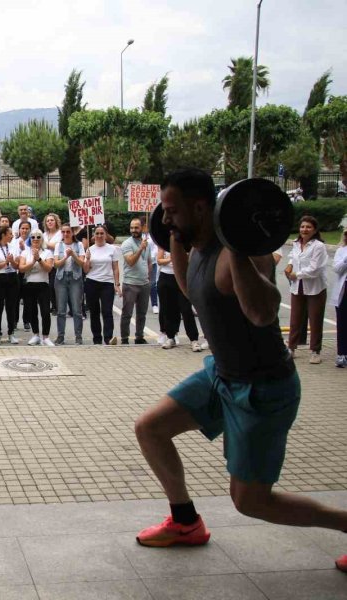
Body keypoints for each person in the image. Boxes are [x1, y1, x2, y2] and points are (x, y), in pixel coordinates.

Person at [133, 169, 347, 573]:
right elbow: (188, 288)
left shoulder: (242, 253)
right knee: (151, 428)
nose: (166, 221)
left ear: (201, 208)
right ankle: (185, 523)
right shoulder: (195, 246)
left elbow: (263, 311)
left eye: (172, 212)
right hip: (222, 375)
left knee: (251, 501)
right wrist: (174, 238)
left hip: (264, 389)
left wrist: (236, 241)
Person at [284, 216, 329, 364]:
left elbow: (315, 269)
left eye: (308, 227)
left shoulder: (318, 246)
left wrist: (296, 274)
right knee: (295, 319)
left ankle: (315, 351)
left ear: (315, 230)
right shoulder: (297, 243)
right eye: (302, 227)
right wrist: (290, 266)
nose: (305, 230)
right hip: (298, 287)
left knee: (315, 319)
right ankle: (291, 348)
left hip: (315, 288)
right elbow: (293, 257)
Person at [156, 246, 202, 351]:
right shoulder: (164, 244)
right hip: (166, 277)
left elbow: (191, 259)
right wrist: (171, 259)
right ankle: (170, 337)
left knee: (186, 310)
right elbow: (159, 260)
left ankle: (193, 339)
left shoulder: (186, 244)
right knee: (168, 309)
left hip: (182, 277)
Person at [82, 225, 120, 345]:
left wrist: (117, 284)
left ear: (106, 235)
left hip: (107, 283)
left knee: (107, 311)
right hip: (92, 282)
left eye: (101, 233)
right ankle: (97, 338)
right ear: (93, 235)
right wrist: (87, 259)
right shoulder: (90, 249)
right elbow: (86, 270)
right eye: (97, 233)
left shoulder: (112, 249)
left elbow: (115, 268)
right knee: (94, 312)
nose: (99, 236)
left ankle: (108, 338)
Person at [0, 224, 22, 345]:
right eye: (9, 234)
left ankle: (11, 333)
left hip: (12, 277)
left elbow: (17, 266)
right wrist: (5, 263)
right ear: (3, 235)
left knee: (11, 307)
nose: (12, 235)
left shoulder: (13, 246)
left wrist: (11, 262)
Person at [18, 230, 54, 346]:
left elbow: (48, 269)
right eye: (33, 237)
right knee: (32, 311)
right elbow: (22, 268)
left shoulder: (47, 252)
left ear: (41, 239)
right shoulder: (25, 252)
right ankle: (35, 335)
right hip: (29, 284)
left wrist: (39, 259)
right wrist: (33, 260)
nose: (35, 239)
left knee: (45, 311)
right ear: (30, 239)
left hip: (43, 284)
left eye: (38, 237)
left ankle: (46, 337)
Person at [52, 224, 87, 344]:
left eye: (68, 232)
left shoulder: (79, 245)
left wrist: (73, 255)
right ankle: (60, 336)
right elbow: (56, 264)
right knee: (61, 310)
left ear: (72, 233)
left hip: (75, 278)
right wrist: (66, 257)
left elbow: (82, 263)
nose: (66, 234)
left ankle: (78, 336)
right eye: (63, 232)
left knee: (77, 309)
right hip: (61, 278)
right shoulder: (58, 245)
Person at [120, 217, 152, 344]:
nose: (133, 230)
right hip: (130, 283)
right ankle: (124, 338)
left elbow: (149, 262)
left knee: (142, 313)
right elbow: (131, 262)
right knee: (127, 313)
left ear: (142, 228)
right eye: (132, 227)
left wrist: (149, 276)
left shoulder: (146, 243)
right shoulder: (127, 244)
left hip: (144, 283)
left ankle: (139, 336)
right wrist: (140, 249)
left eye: (136, 227)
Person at [332, 228, 347, 368]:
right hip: (344, 289)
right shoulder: (341, 251)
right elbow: (336, 269)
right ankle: (342, 353)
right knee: (343, 321)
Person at [43, 213, 62, 315]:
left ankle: (57, 306)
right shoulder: (44, 234)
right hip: (45, 263)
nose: (50, 222)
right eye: (48, 220)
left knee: (53, 285)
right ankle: (52, 305)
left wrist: (44, 244)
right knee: (47, 286)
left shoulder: (60, 233)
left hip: (55, 263)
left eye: (52, 220)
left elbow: (58, 246)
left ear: (56, 222)